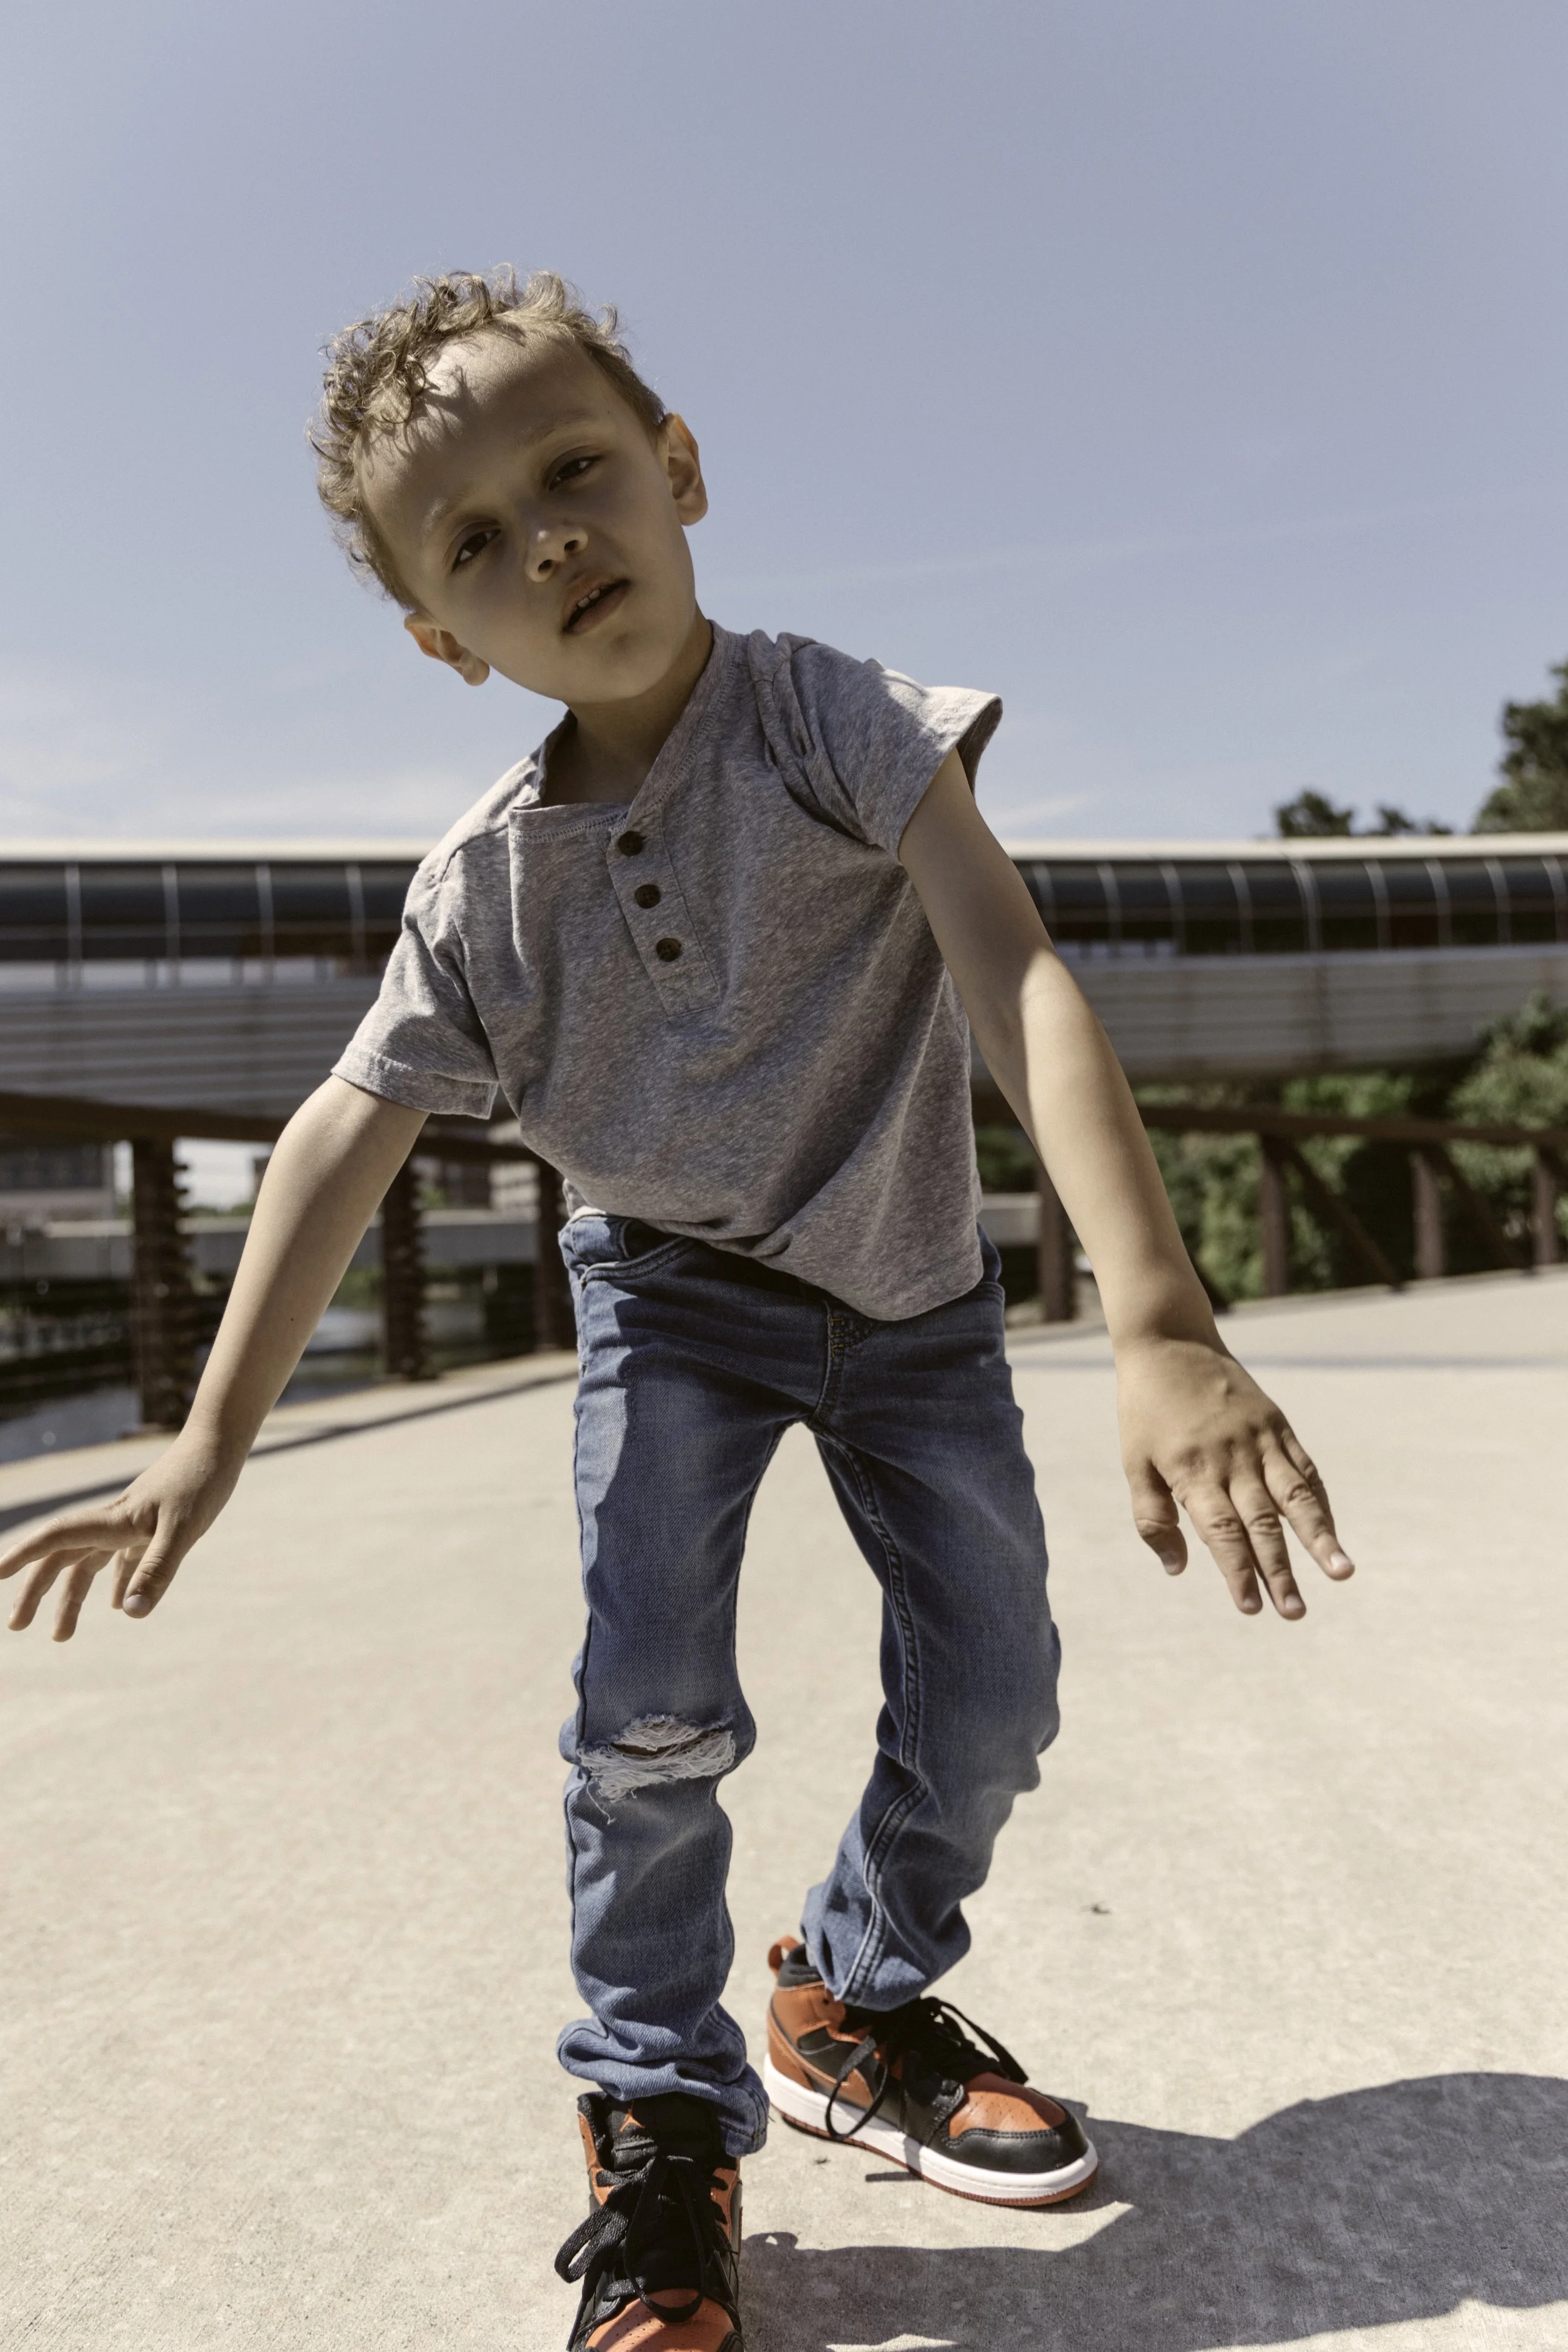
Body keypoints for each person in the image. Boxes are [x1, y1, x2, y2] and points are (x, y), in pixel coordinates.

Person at [0, 271, 1355, 2352]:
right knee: (647, 1716)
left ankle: (849, 1991)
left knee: (996, 1689)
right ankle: (657, 2115)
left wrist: (1160, 1313)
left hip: (905, 1289)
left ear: (679, 469)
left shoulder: (830, 716)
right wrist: (205, 1439)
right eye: (474, 541)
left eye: (573, 471)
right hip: (670, 1301)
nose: (546, 537)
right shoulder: (478, 894)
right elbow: (331, 1147)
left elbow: (1013, 971)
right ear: (447, 643)